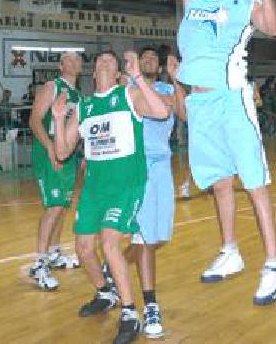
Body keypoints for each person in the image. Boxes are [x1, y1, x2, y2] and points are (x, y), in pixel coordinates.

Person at [110, 0, 276, 306]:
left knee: (253, 183)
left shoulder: (246, 5)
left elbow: (275, 29)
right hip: (200, 101)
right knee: (219, 183)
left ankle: (273, 265)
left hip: (231, 99)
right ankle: (230, 252)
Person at [52, 50, 170, 344]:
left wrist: (138, 78)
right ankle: (105, 292)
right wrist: (56, 118)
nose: (104, 61)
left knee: (109, 243)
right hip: (94, 188)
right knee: (83, 248)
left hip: (125, 185)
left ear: (118, 73)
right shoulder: (84, 107)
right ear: (92, 74)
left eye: (111, 61)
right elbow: (62, 151)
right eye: (100, 60)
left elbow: (162, 112)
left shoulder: (129, 95)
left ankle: (131, 313)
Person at [114, 47, 186, 338]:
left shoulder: (170, 86)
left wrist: (176, 82)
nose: (148, 61)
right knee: (144, 236)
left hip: (161, 167)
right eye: (143, 58)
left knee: (156, 238)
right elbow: (155, 105)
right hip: (135, 165)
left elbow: (180, 112)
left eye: (153, 59)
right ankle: (151, 305)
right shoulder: (128, 86)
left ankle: (115, 263)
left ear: (160, 66)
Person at [27, 52, 84, 291]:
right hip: (48, 149)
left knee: (62, 204)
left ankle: (54, 252)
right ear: (61, 66)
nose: (72, 62)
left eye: (76, 59)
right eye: (67, 59)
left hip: (67, 152)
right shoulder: (52, 86)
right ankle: (39, 263)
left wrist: (82, 154)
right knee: (54, 206)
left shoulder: (79, 96)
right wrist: (50, 147)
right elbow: (34, 120)